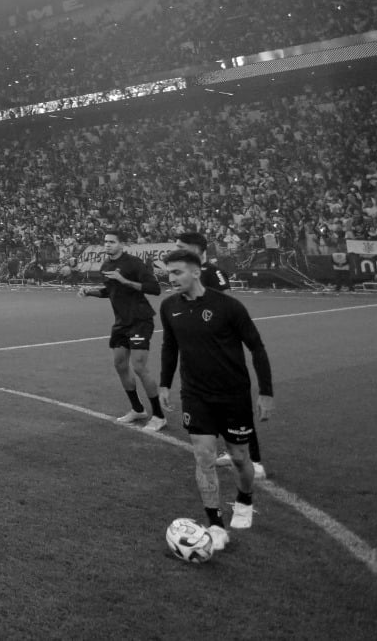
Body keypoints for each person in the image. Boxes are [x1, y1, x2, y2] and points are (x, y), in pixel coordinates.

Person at [157, 250, 274, 551]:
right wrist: (164, 384)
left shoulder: (228, 307)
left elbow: (257, 347)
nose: (172, 278)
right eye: (169, 273)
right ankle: (215, 525)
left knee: (239, 458)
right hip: (196, 395)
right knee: (203, 456)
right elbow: (170, 347)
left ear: (196, 272)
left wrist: (265, 392)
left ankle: (245, 499)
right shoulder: (169, 307)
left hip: (233, 395)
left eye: (178, 272)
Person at [178, 232, 264, 476]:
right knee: (213, 406)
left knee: (237, 407)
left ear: (196, 248)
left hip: (222, 351)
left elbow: (226, 305)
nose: (177, 250)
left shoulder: (211, 271)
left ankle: (255, 460)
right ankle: (229, 451)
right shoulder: (188, 274)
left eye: (181, 246)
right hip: (201, 351)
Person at [77, 230, 165, 431]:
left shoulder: (134, 263)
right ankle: (137, 409)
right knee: (119, 364)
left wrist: (124, 280)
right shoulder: (106, 266)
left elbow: (154, 288)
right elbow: (111, 291)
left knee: (140, 367)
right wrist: (90, 292)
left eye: (112, 242)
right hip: (121, 323)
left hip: (140, 319)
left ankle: (159, 416)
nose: (107, 245)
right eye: (105, 242)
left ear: (121, 244)